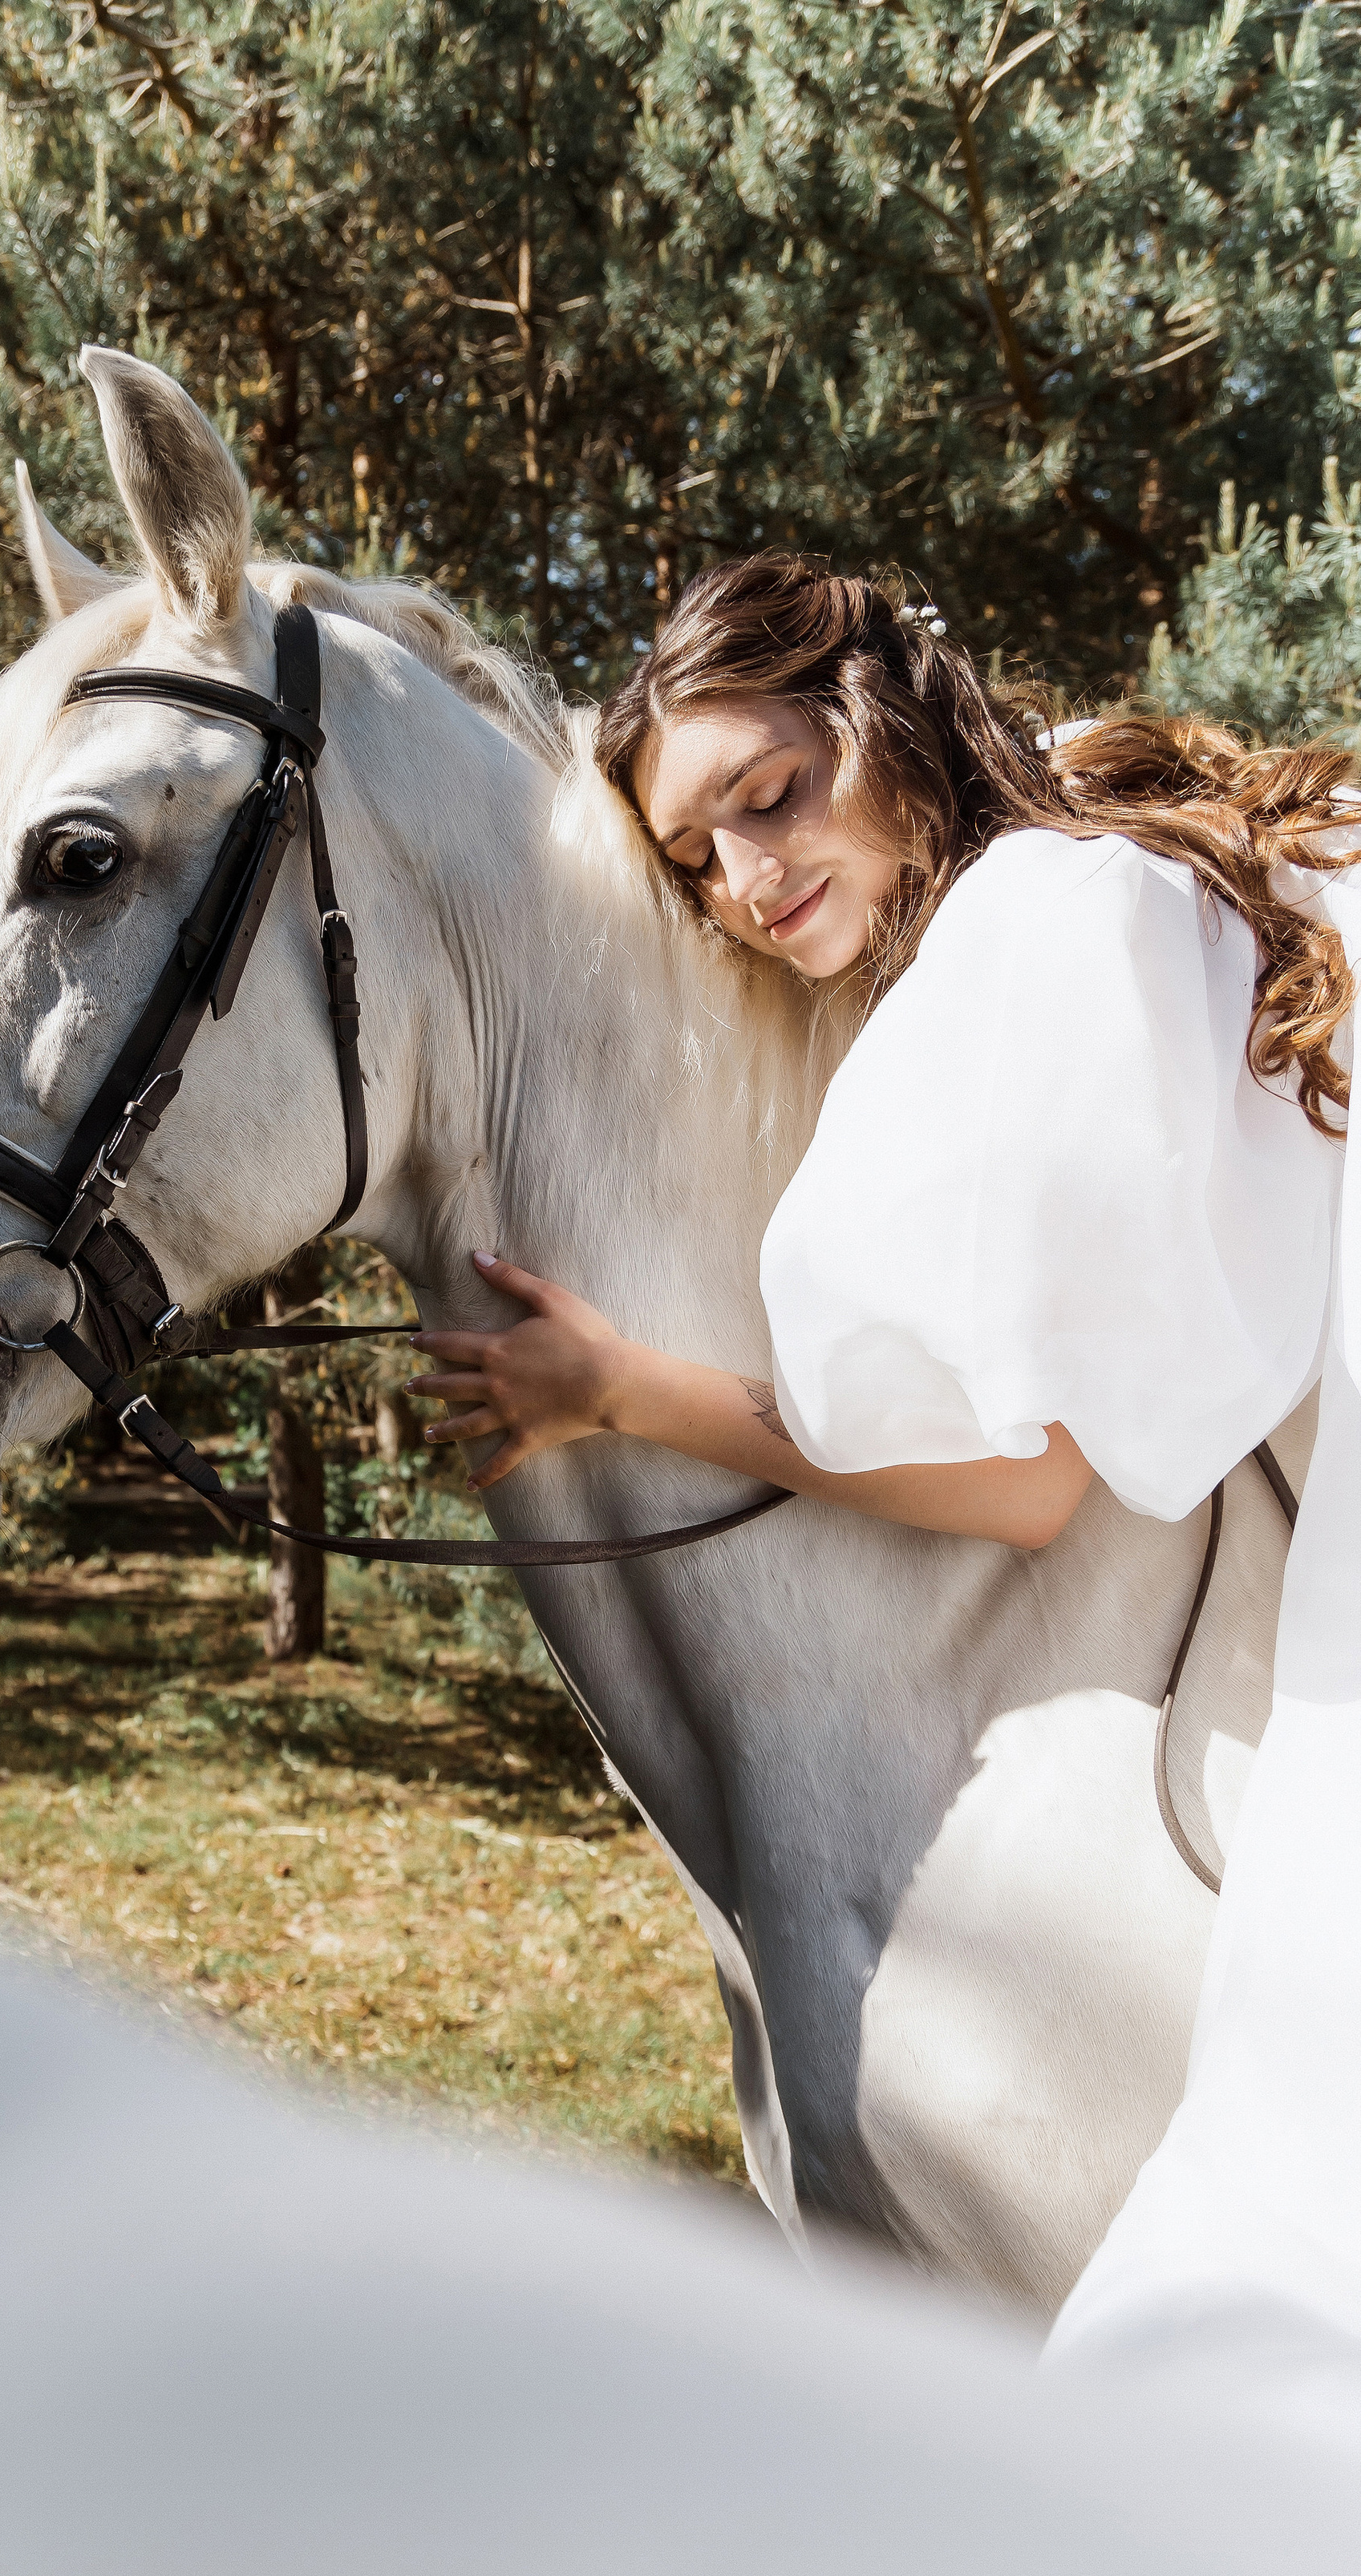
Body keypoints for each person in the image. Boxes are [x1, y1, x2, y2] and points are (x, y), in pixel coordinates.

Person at [408, 553, 1361, 2429]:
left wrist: (622, 1387)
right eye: (694, 862)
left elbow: (1019, 1481)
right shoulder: (1105, 846)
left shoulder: (1034, 919)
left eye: (765, 797)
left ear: (873, 712)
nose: (745, 879)